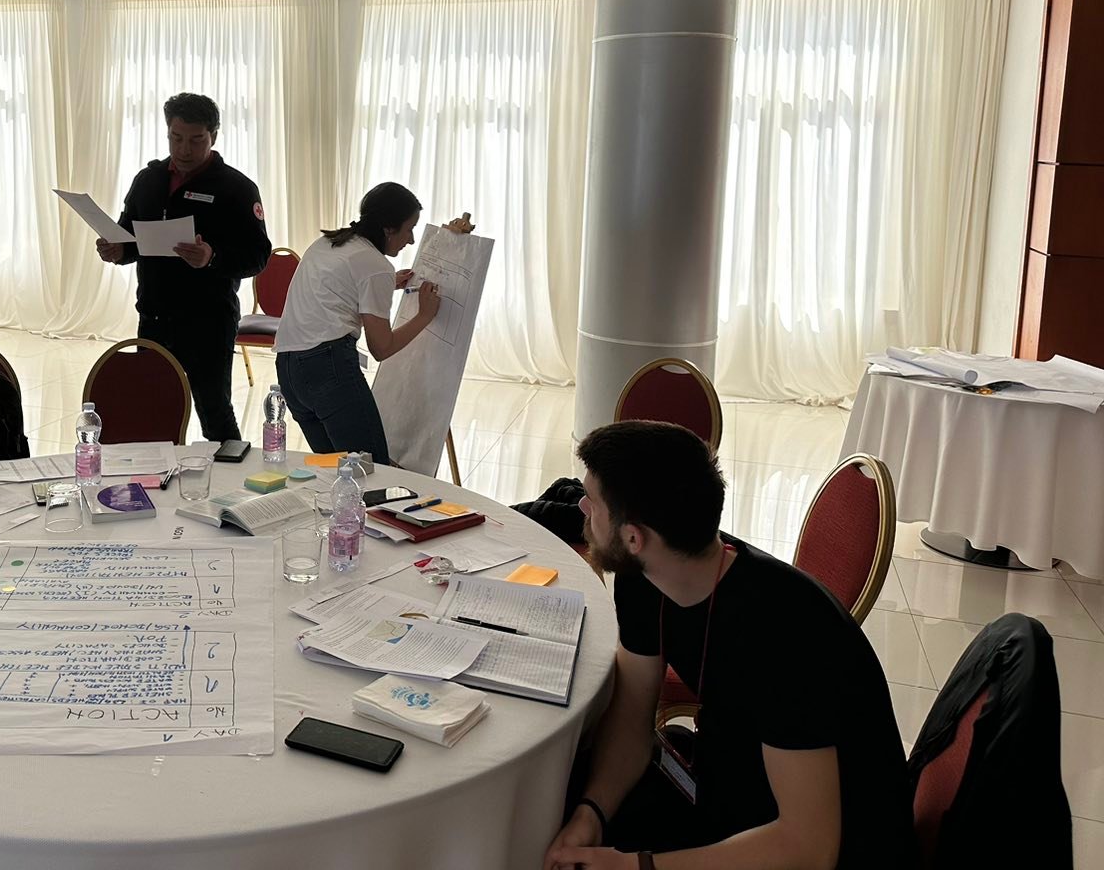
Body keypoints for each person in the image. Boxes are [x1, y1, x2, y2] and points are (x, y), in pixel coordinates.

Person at [544, 420, 917, 870]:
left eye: (593, 501)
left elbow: (809, 847)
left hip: (832, 841)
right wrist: (592, 812)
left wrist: (638, 866)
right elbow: (630, 718)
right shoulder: (646, 574)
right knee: (558, 797)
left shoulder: (789, 638)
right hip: (732, 785)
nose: (582, 506)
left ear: (633, 537)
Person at [96, 93, 270, 442]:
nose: (184, 149)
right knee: (152, 408)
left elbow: (257, 256)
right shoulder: (148, 180)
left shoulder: (236, 188)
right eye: (176, 138)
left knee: (214, 412)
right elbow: (130, 237)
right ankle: (157, 475)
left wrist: (212, 257)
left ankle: (230, 474)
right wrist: (116, 250)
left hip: (208, 321)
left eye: (196, 140)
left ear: (213, 136)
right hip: (154, 316)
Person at [273, 183, 452, 467]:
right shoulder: (375, 265)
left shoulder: (327, 243)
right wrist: (424, 315)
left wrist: (386, 284)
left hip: (288, 369)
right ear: (388, 228)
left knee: (335, 471)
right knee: (369, 471)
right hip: (327, 369)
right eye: (409, 229)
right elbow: (381, 348)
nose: (411, 240)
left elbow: (337, 288)